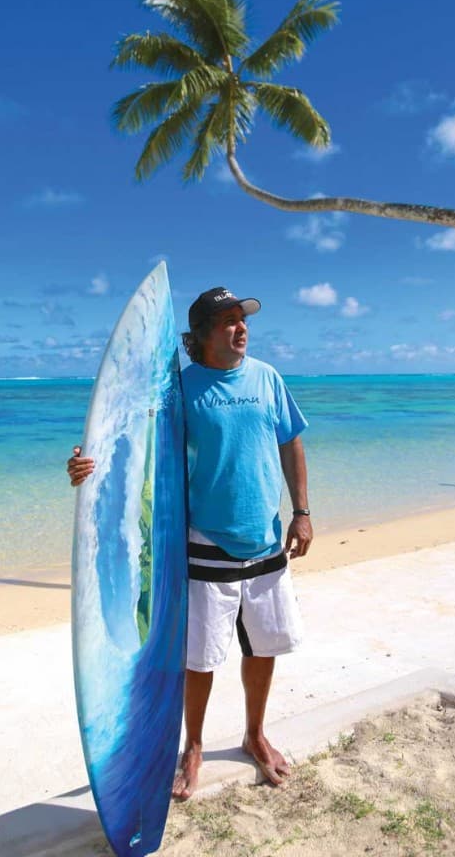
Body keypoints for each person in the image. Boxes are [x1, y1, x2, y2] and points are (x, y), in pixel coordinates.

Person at [67, 285, 312, 800]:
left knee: (263, 647)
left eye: (242, 319)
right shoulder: (181, 391)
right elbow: (138, 451)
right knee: (199, 658)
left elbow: (291, 439)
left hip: (265, 539)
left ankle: (254, 733)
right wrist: (88, 465)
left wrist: (302, 513)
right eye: (227, 321)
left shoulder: (267, 377)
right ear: (200, 335)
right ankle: (194, 745)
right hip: (205, 544)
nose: (240, 327)